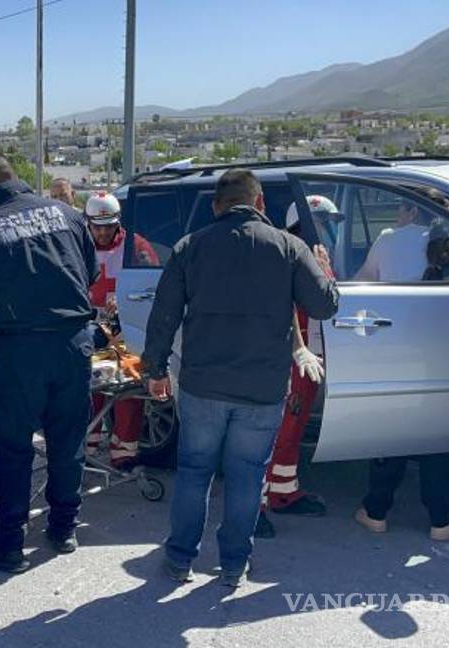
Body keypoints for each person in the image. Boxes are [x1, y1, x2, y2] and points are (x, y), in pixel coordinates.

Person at [142, 169, 339, 588]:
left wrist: (155, 370)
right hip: (263, 389)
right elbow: (323, 306)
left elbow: (164, 315)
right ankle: (234, 564)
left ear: (217, 206)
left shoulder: (189, 246)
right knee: (247, 476)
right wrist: (324, 271)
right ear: (261, 203)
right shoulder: (290, 247)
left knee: (194, 472)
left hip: (202, 385)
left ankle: (180, 559)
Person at [0, 153, 98, 573]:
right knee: (68, 438)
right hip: (75, 343)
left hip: (21, 349)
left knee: (15, 447)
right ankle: (63, 527)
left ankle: (9, 545)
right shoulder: (67, 214)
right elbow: (87, 272)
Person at [352, 219, 449, 542]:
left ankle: (375, 511)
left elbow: (359, 285)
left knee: (394, 430)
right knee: (438, 437)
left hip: (400, 350)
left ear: (409, 207)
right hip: (448, 357)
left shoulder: (389, 239)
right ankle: (442, 518)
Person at [253, 199, 338, 539]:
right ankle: (254, 508)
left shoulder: (312, 254)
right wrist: (322, 271)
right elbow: (317, 299)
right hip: (289, 356)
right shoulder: (291, 255)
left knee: (292, 431)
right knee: (270, 437)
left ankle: (283, 491)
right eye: (326, 222)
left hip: (309, 359)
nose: (332, 229)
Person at [83, 192, 159, 469]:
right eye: (97, 226)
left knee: (126, 389)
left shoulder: (135, 246)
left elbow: (150, 284)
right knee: (89, 389)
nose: (103, 232)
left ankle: (124, 453)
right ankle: (86, 449)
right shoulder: (78, 246)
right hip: (87, 327)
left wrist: (123, 299)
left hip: (125, 328)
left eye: (108, 225)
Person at [354, 199, 429, 281]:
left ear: (413, 212)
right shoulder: (437, 239)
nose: (397, 216)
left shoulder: (387, 238)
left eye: (400, 209)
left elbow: (365, 277)